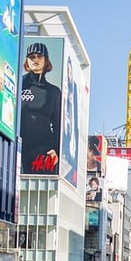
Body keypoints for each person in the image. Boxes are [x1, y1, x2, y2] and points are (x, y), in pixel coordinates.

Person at [20, 42, 62, 173]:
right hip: (18, 146)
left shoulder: (54, 91)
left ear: (46, 60)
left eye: (39, 56)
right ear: (27, 60)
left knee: (43, 187)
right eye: (32, 56)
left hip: (44, 150)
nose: (35, 59)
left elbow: (57, 125)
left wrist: (56, 149)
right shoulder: (18, 84)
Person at [61, 55, 79, 186]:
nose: (68, 74)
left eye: (70, 71)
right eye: (67, 70)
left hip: (70, 145)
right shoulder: (63, 90)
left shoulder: (75, 92)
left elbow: (76, 121)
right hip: (62, 139)